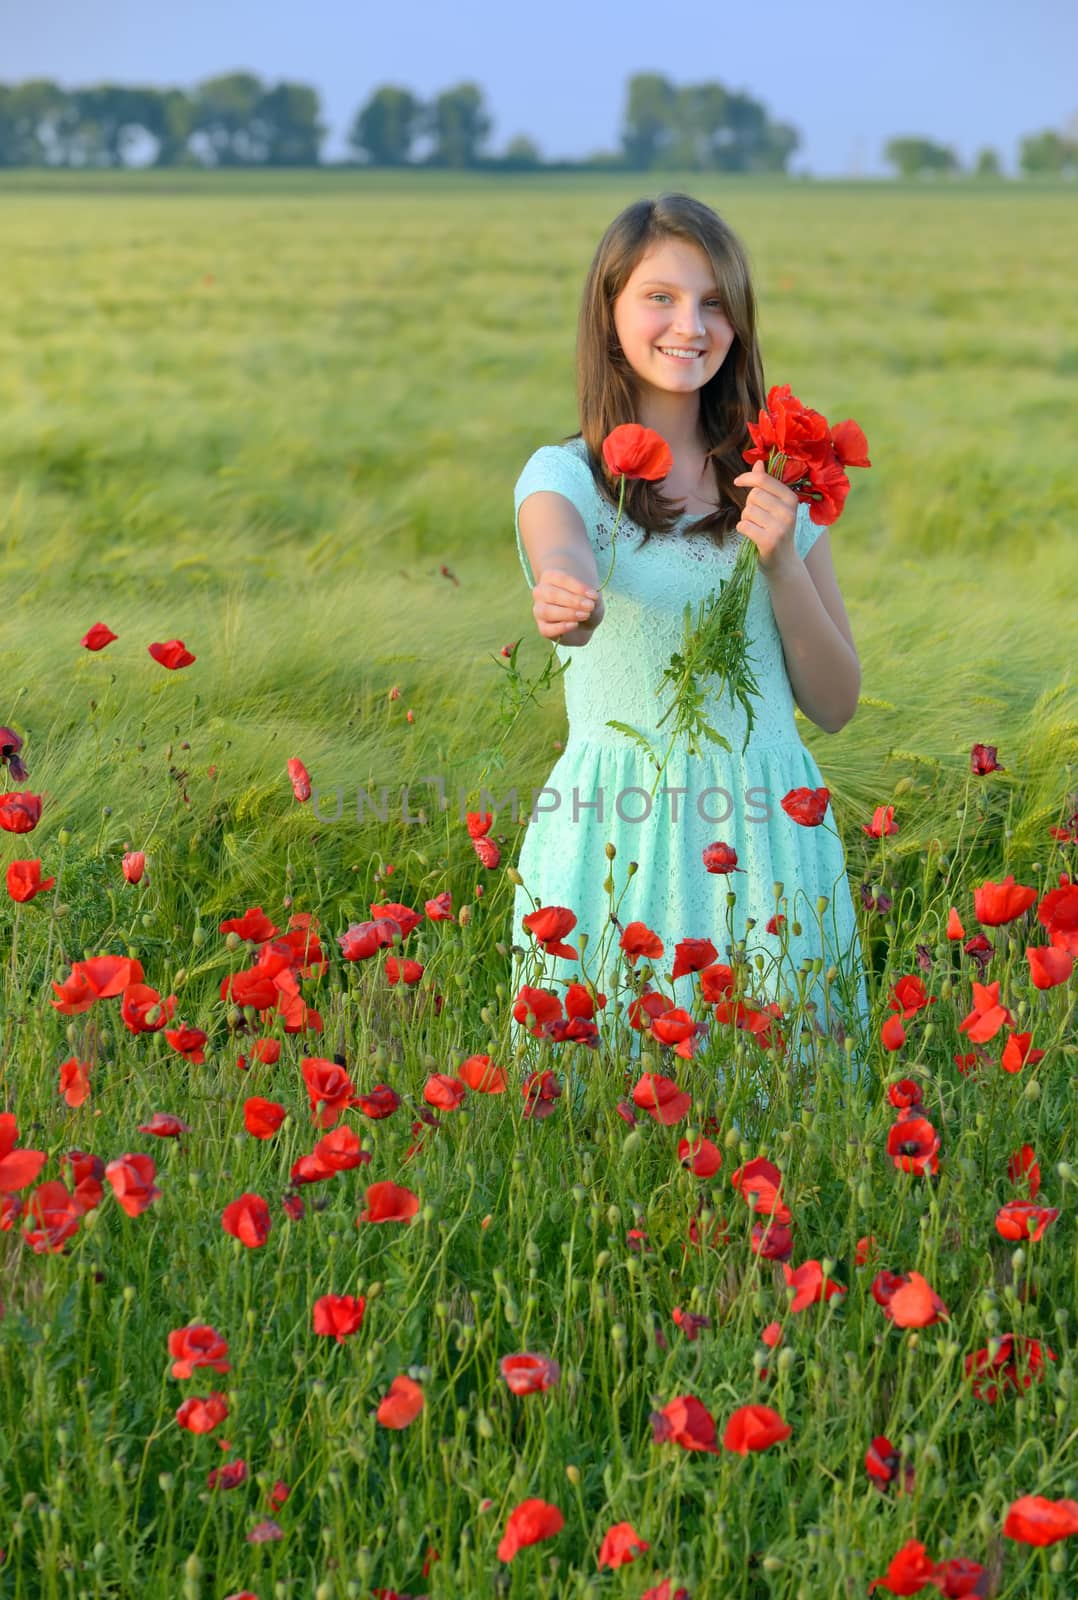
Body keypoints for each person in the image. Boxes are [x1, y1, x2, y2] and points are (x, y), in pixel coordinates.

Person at [508, 192, 870, 1081]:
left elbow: (835, 703)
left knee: (785, 1123)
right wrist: (570, 597)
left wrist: (783, 558)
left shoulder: (778, 480)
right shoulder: (566, 477)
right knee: (607, 1123)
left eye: (714, 303)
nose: (690, 325)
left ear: (739, 323)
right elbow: (562, 555)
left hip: (772, 832)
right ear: (611, 311)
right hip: (617, 828)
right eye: (660, 298)